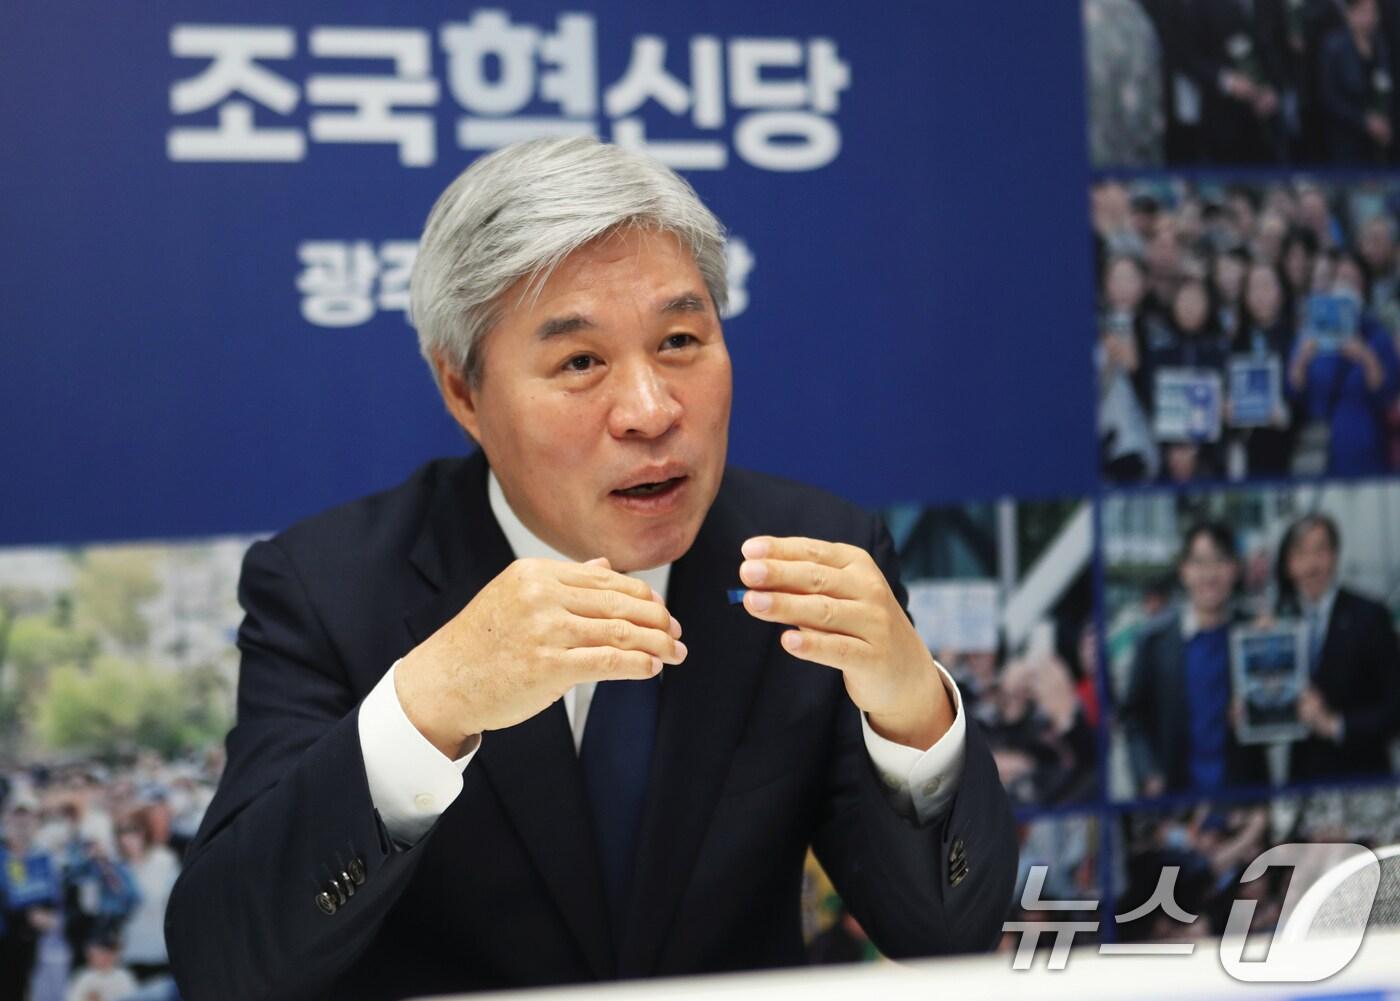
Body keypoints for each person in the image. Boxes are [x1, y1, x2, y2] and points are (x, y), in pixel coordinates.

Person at [164, 138, 1018, 1001]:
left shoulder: (815, 554)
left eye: (679, 340)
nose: (651, 410)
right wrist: (426, 711)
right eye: (580, 361)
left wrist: (915, 714)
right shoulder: (329, 586)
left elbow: (952, 933)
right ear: (463, 391)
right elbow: (222, 964)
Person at [1120, 522, 1269, 797]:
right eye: (1199, 562)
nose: (1210, 574)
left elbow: (1278, 713)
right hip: (1177, 797)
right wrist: (1148, 775)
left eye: (1220, 560)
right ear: (1184, 570)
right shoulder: (1153, 639)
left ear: (1235, 569)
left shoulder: (1254, 634)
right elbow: (1133, 718)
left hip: (1242, 796)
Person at [1274, 513, 1400, 782]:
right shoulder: (1279, 623)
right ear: (1288, 564)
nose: (1311, 564)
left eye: (1320, 550)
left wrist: (1336, 725)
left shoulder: (1370, 616)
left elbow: (1394, 709)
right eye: (1300, 553)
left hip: (1362, 777)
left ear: (1334, 556)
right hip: (1303, 781)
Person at [1288, 250, 1400, 474]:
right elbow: (1294, 393)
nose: (1346, 287)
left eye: (1353, 280)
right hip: (1318, 448)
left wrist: (1367, 358)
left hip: (1366, 444)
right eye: (1341, 279)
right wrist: (1302, 359)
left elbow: (1387, 394)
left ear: (1363, 288)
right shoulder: (1310, 333)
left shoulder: (1376, 334)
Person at [1321, 0, 1395, 163]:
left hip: (1377, 139)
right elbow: (1330, 97)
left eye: (1373, 12)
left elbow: (1386, 85)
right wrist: (1364, 121)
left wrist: (1383, 120)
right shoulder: (1334, 46)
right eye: (1364, 12)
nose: (1370, 17)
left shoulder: (1380, 44)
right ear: (1350, 14)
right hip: (1345, 137)